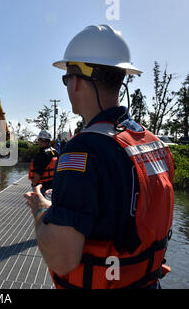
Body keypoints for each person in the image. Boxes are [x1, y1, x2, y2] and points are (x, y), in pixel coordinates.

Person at [24, 25, 174, 289]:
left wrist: (40, 210)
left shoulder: (84, 150)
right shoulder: (155, 144)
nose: (68, 85)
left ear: (78, 80)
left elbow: (61, 259)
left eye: (66, 78)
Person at [28, 130, 58, 195]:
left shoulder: (42, 154)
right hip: (54, 185)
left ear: (40, 140)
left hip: (42, 186)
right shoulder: (55, 151)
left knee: (41, 204)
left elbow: (39, 172)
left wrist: (34, 184)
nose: (39, 142)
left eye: (39, 139)